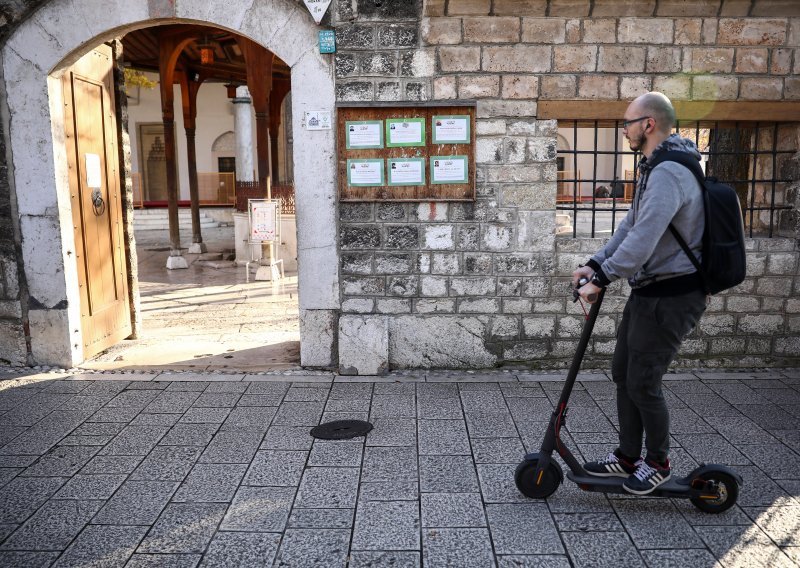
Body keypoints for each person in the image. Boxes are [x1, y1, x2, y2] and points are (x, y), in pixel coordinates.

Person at [572, 92, 707, 495]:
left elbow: (645, 239)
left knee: (644, 381)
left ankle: (658, 464)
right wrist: (596, 264)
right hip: (650, 292)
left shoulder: (669, 173)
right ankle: (628, 456)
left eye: (628, 122)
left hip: (673, 295)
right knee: (623, 373)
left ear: (648, 124)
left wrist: (603, 278)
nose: (624, 129)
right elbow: (631, 225)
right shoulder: (655, 168)